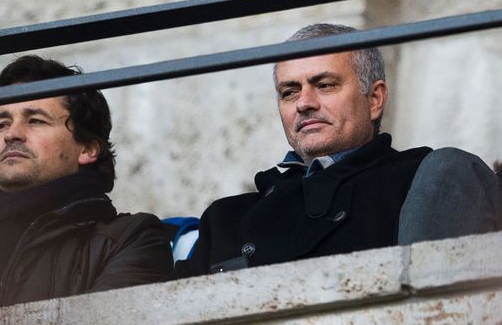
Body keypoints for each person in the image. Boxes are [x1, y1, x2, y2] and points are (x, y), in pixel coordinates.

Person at [173, 23, 501, 278]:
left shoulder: (425, 179)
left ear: (374, 99)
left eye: (325, 85)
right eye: (289, 92)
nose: (304, 103)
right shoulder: (226, 217)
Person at [0, 55, 173, 321]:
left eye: (35, 120)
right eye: (2, 124)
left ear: (86, 148)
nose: (12, 134)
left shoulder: (128, 240)